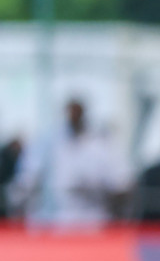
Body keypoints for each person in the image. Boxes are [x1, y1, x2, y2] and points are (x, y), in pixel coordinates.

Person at [14, 98, 127, 228]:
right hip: (53, 221)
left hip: (94, 220)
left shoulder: (102, 143)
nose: (74, 116)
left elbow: (121, 184)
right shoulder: (47, 141)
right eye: (71, 112)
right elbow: (26, 180)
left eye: (78, 112)